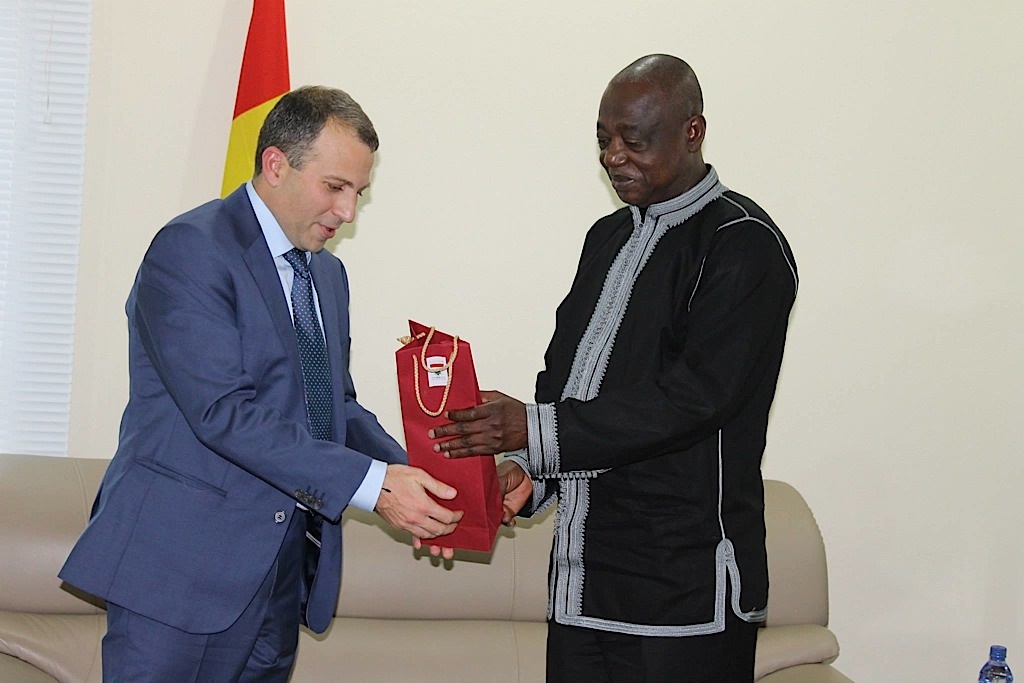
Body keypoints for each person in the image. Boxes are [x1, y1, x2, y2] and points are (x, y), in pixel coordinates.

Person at [59, 85, 462, 682]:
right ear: (275, 164)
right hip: (181, 570)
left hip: (281, 573)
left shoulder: (327, 275)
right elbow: (223, 411)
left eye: (358, 192)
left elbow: (333, 407)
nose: (348, 212)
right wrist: (375, 487)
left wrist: (417, 481)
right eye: (335, 186)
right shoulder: (192, 250)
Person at [431, 55, 799, 682]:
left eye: (634, 139)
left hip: (682, 591)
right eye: (603, 139)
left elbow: (694, 400)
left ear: (692, 132)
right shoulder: (606, 238)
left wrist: (532, 429)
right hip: (580, 583)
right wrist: (528, 470)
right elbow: (565, 381)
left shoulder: (742, 242)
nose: (613, 156)